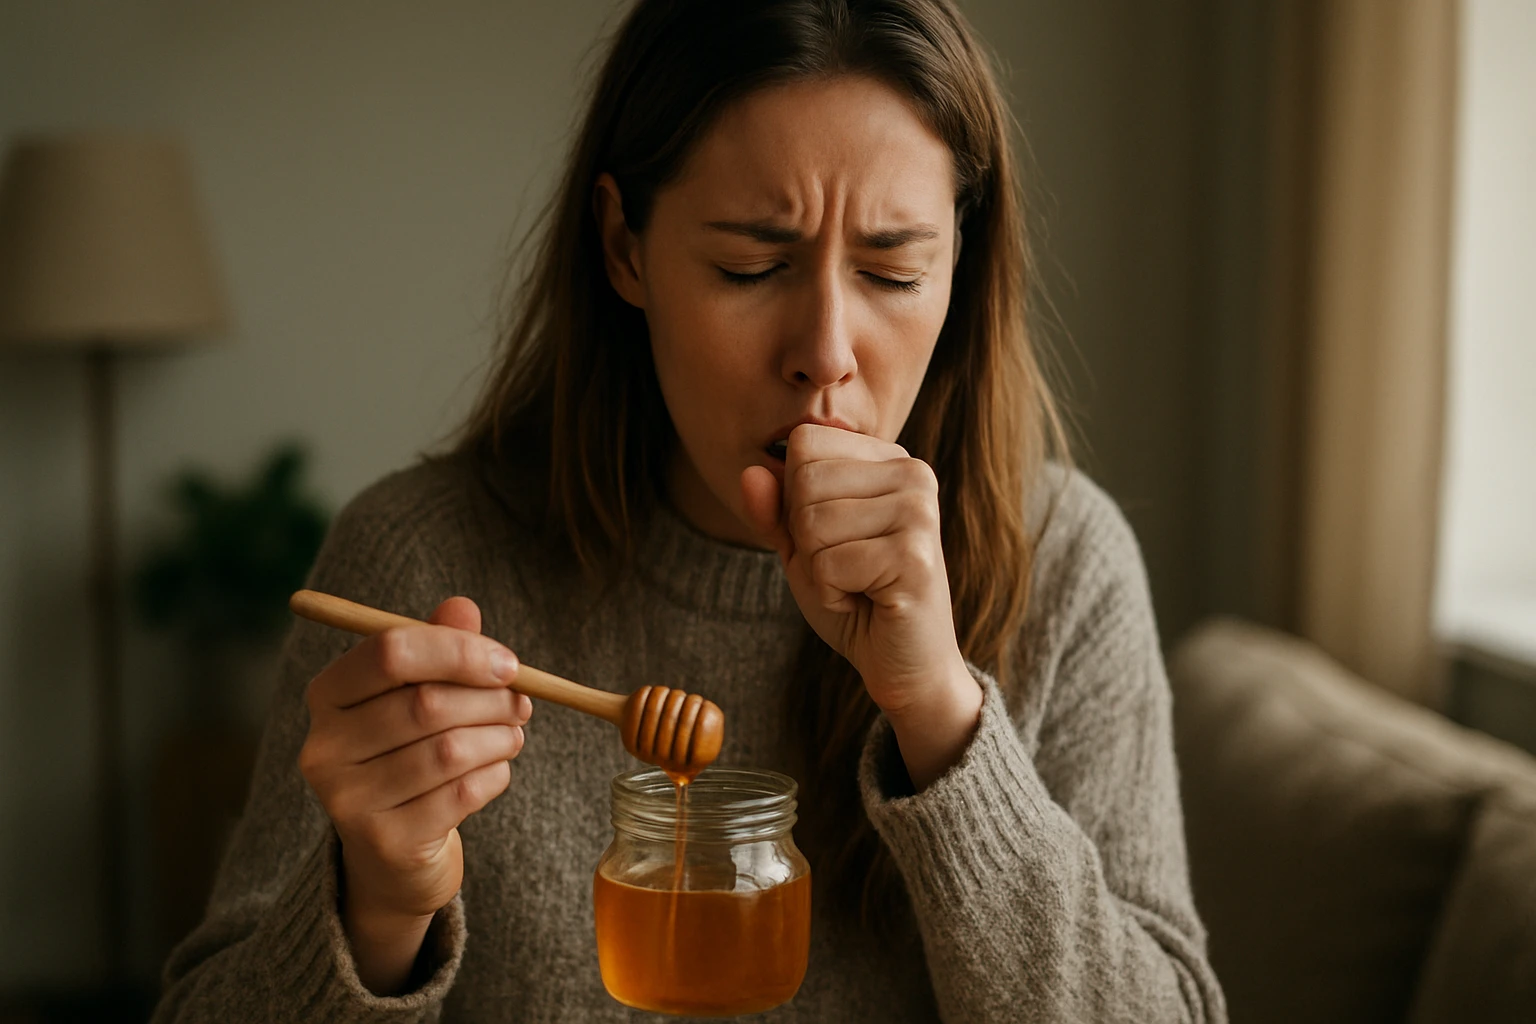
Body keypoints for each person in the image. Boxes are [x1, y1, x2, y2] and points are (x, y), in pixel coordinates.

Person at [154, 0, 1226, 1020]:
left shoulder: (1066, 564)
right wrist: (378, 901)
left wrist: (940, 710)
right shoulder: (423, 560)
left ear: (963, 264)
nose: (826, 355)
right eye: (752, 264)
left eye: (894, 274)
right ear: (626, 246)